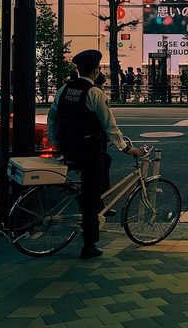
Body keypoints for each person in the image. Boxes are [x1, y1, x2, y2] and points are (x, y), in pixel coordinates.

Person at [47, 49, 144, 259]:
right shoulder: (94, 93)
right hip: (88, 151)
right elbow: (110, 125)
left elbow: (52, 118)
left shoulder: (64, 89)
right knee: (89, 196)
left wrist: (56, 143)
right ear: (95, 70)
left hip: (68, 148)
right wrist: (126, 149)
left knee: (106, 161)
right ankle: (89, 244)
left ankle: (101, 204)